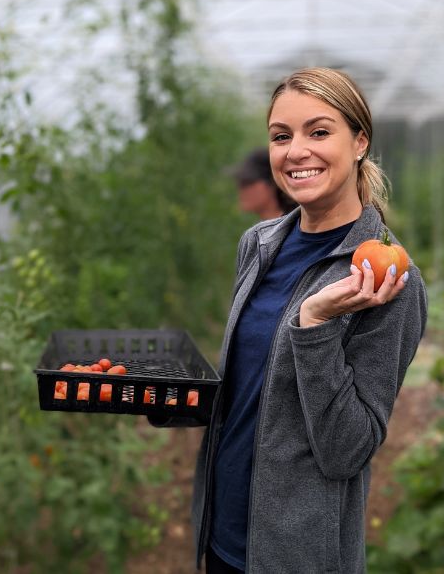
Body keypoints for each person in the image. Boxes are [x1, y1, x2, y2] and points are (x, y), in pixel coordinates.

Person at [153, 67, 428, 574]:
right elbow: (250, 392)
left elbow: (348, 450)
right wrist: (171, 401)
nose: (295, 151)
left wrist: (315, 325)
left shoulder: (383, 278)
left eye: (319, 132)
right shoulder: (258, 245)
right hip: (220, 533)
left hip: (297, 554)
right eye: (281, 136)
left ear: (360, 141)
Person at [229, 147, 297, 219]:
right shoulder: (264, 228)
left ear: (273, 183)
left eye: (247, 182)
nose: (241, 189)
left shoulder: (297, 225)